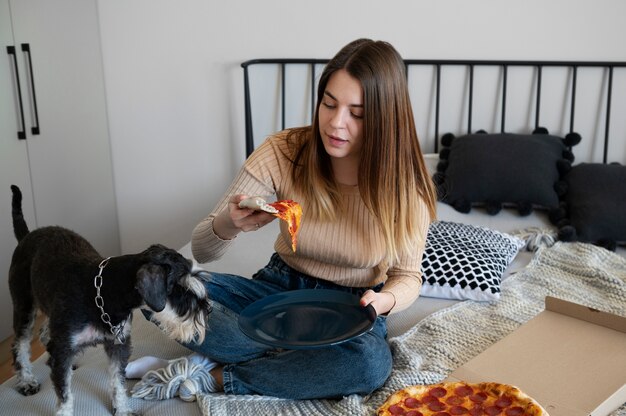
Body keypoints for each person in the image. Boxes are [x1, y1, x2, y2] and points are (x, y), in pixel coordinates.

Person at [128, 38, 437, 401]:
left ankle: (215, 375)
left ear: (385, 120)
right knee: (153, 280)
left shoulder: (405, 185)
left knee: (369, 364)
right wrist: (229, 224)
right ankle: (298, 362)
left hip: (353, 307)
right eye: (329, 104)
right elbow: (202, 249)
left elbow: (407, 277)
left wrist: (383, 302)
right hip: (276, 291)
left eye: (357, 113)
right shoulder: (284, 151)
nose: (336, 124)